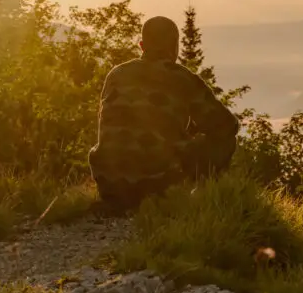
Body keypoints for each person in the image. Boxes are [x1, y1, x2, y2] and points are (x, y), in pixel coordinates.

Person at [88, 15, 240, 212]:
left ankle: (121, 197)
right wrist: (191, 131)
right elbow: (227, 125)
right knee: (226, 140)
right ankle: (204, 201)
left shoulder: (116, 74)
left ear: (142, 45)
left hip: (109, 183)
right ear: (175, 47)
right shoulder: (183, 78)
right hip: (157, 185)